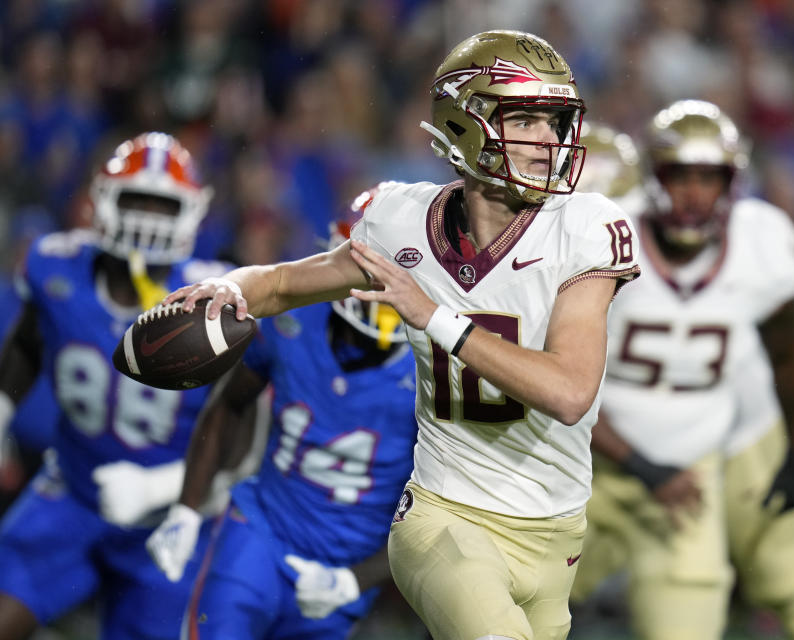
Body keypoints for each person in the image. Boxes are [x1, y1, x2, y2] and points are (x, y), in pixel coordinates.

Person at [164, 29, 641, 640]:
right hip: (445, 517)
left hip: (557, 529)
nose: (551, 141)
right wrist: (233, 287)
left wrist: (435, 316)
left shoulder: (585, 226)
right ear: (467, 124)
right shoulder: (400, 219)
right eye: (527, 120)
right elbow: (285, 283)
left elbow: (570, 390)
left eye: (556, 122)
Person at [568, 103, 794, 640]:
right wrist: (644, 466)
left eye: (710, 177)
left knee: (699, 616)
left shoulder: (763, 245)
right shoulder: (603, 238)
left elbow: (790, 356)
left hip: (689, 464)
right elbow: (559, 381)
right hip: (587, 456)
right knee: (516, 598)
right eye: (680, 174)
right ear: (651, 176)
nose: (695, 193)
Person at [0, 132, 248, 640]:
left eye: (163, 205)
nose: (147, 218)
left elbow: (246, 429)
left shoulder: (214, 303)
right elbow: (26, 343)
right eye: (137, 200)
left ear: (192, 212)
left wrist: (165, 491)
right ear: (101, 200)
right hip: (70, 488)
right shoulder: (55, 265)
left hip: (170, 517)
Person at [145, 226, 419, 639]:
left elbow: (436, 507)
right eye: (367, 266)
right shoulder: (293, 319)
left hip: (344, 567)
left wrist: (356, 580)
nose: (379, 284)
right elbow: (229, 403)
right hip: (261, 532)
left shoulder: (434, 372)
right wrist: (187, 507)